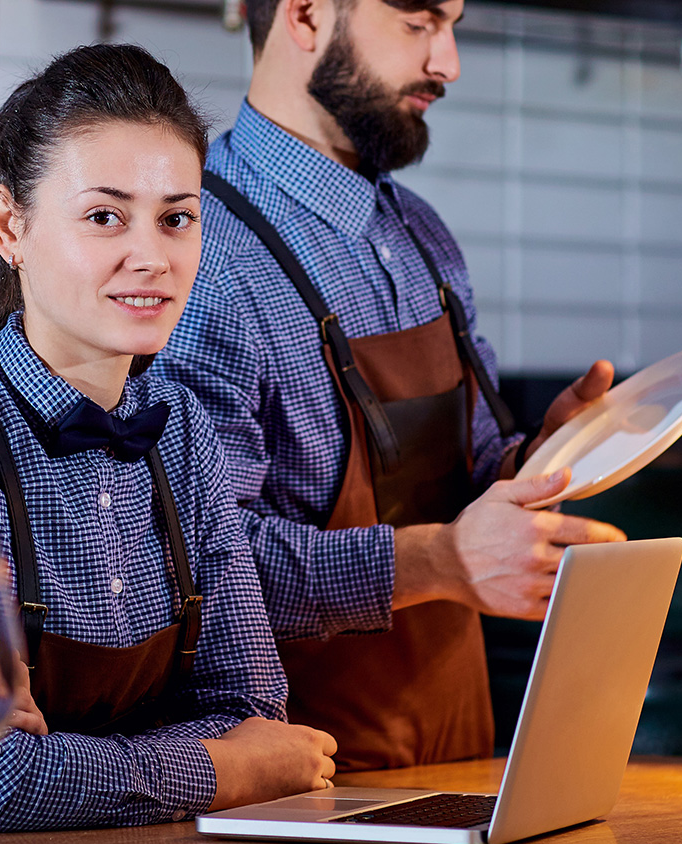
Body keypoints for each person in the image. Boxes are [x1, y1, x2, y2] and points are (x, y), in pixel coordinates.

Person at [0, 43, 337, 832]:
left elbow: (253, 707)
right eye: (104, 217)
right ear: (9, 224)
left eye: (177, 219)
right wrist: (222, 770)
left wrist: (72, 768)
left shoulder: (183, 425)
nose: (152, 257)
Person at [157, 0, 625, 771]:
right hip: (299, 790)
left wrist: (545, 456)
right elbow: (201, 564)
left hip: (464, 755)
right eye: (418, 21)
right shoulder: (203, 252)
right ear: (306, 16)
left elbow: (471, 490)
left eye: (454, 26)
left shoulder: (424, 237)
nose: (448, 64)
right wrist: (439, 562)